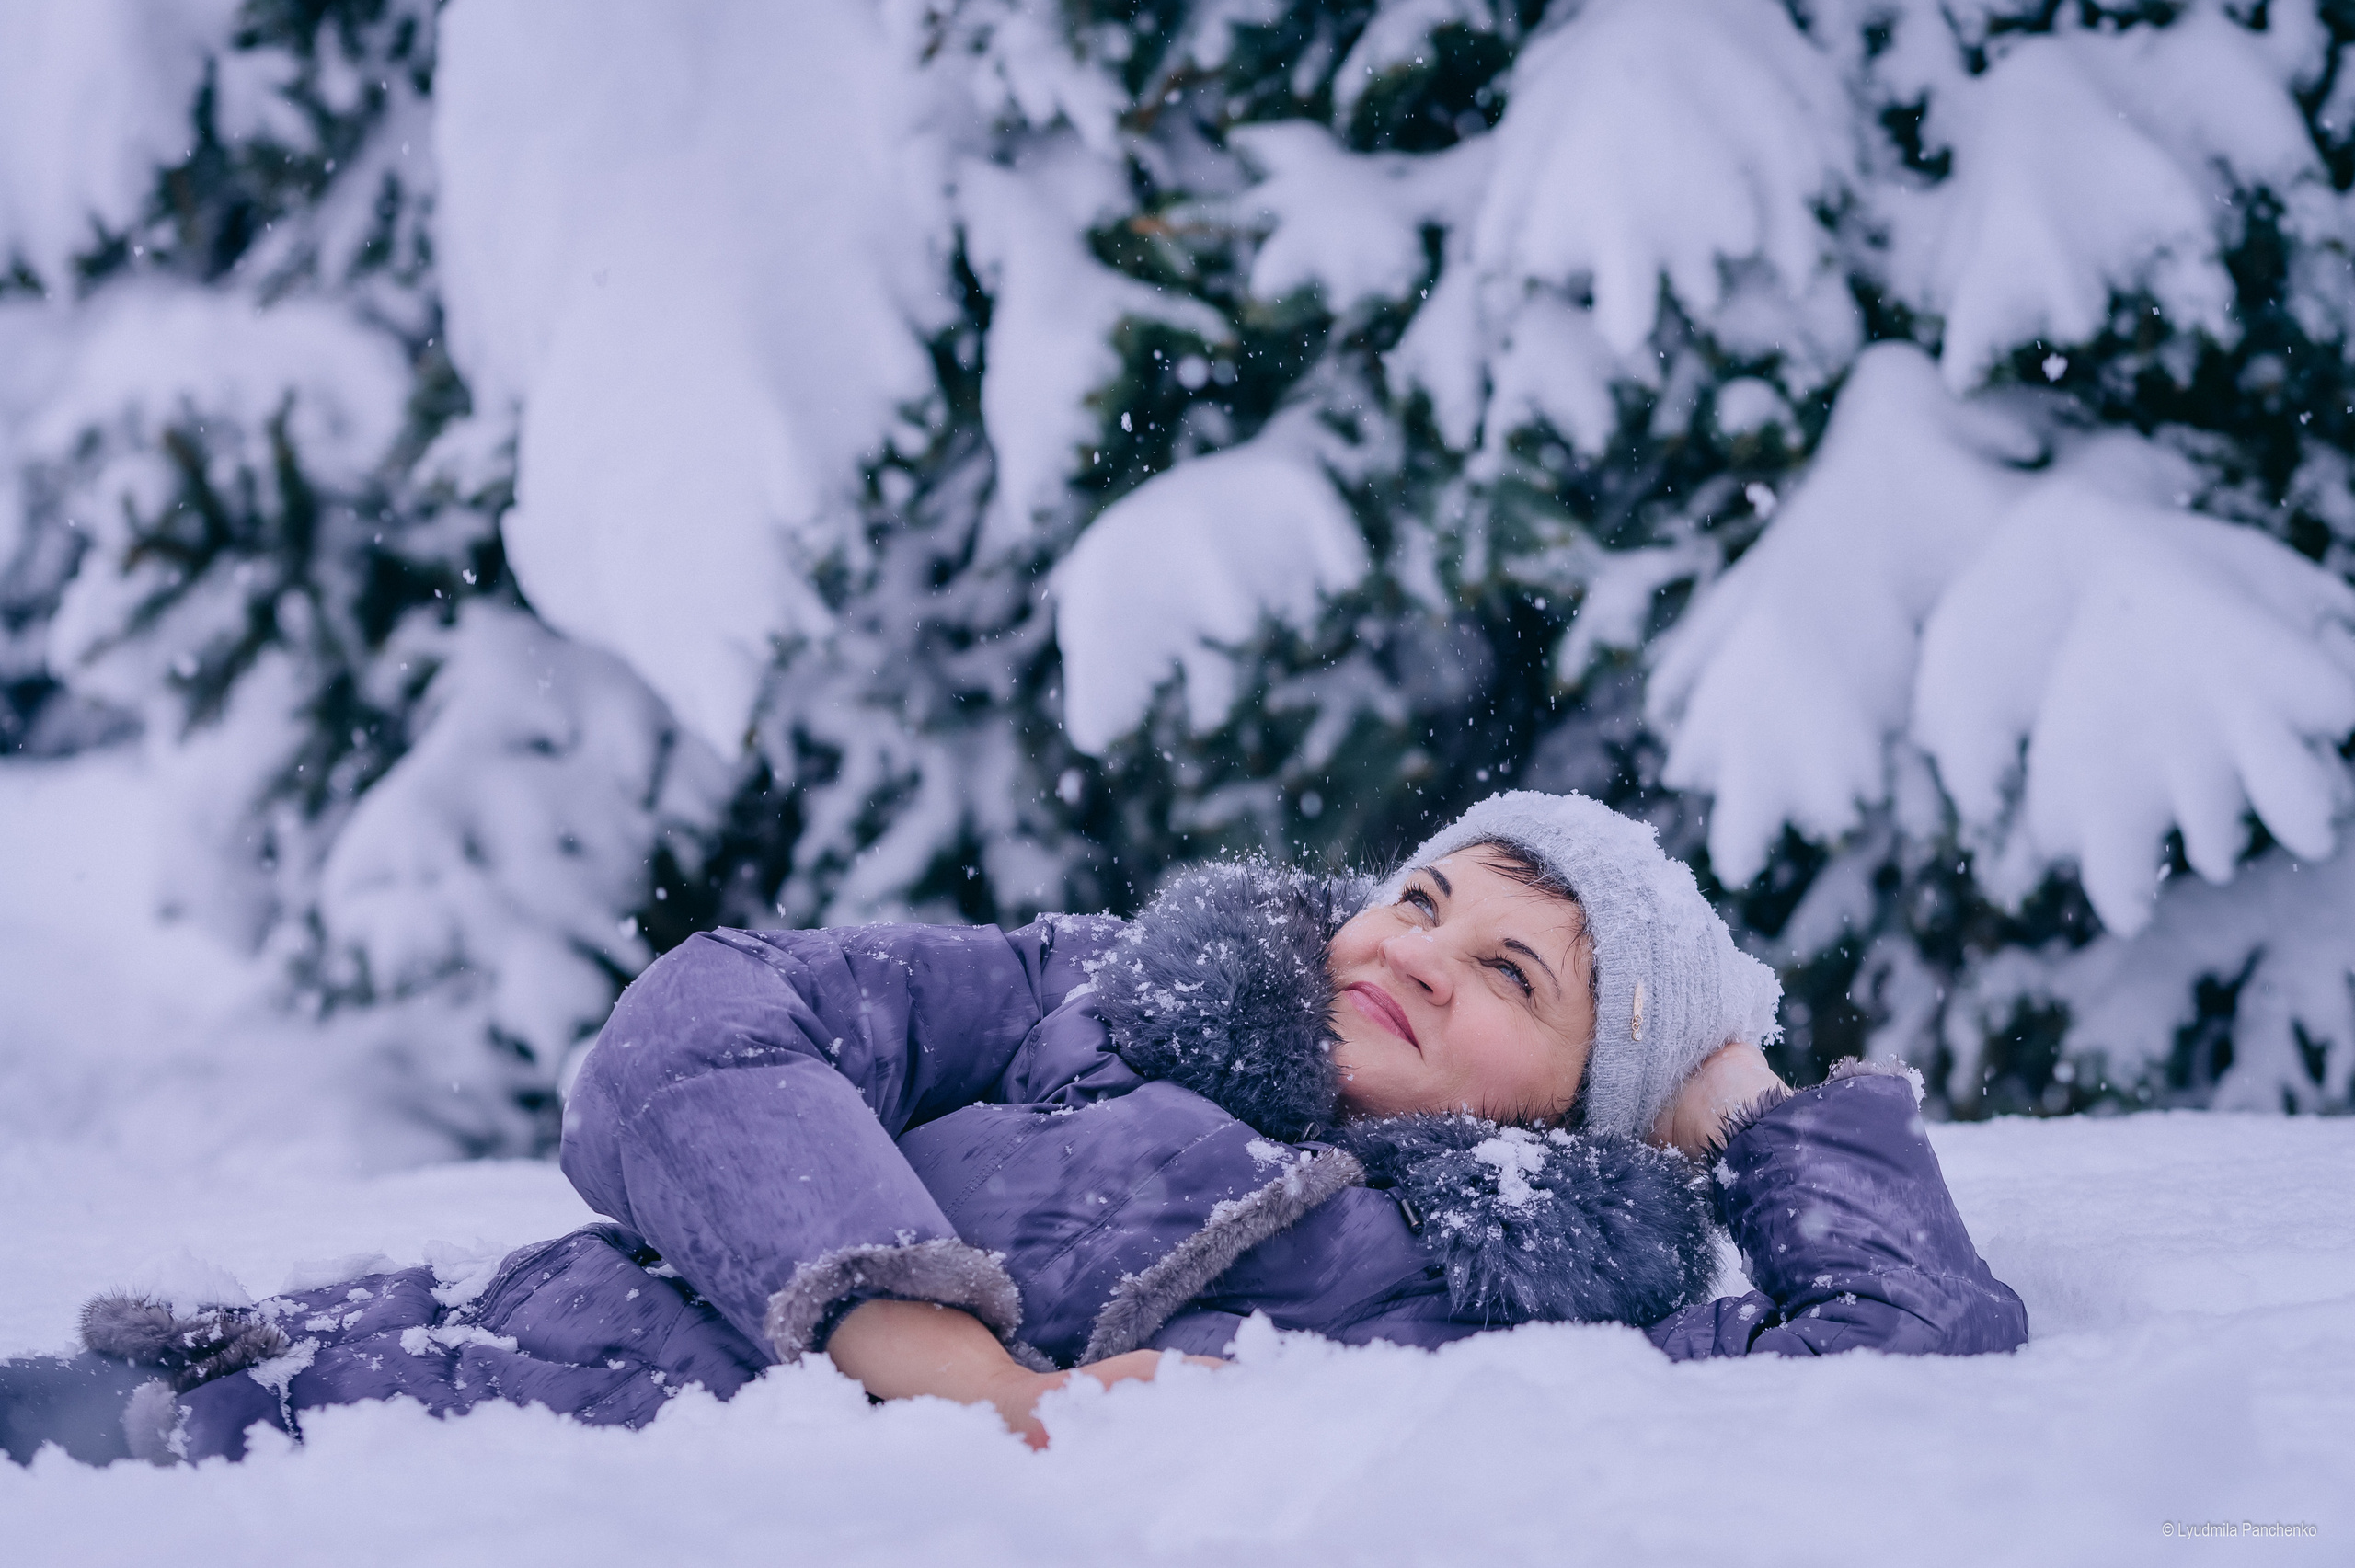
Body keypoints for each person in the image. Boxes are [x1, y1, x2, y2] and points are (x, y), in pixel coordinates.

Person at [3, 792, 2028, 1465]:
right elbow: (699, 1019)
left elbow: (1892, 1368)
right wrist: (915, 1333)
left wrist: (1732, 1094)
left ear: (1584, 1107)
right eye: (1424, 898)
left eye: (1520, 975)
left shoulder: (1531, 1297)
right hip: (364, 1387)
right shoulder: (1093, 992)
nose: (1424, 950)